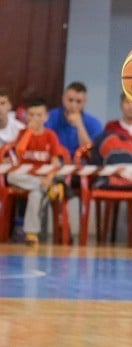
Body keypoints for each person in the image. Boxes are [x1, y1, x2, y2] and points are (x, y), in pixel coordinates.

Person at [6, 98, 64, 247]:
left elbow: (55, 162)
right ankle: (49, 188)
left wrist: (50, 178)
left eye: (39, 115)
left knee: (36, 193)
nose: (35, 118)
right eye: (31, 115)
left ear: (46, 117)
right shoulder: (23, 133)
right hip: (25, 176)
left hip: (43, 176)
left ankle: (31, 234)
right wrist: (29, 133)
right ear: (27, 117)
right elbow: (19, 151)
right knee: (12, 176)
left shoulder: (50, 135)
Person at [46, 81, 103, 160]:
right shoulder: (50, 117)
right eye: (70, 100)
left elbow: (92, 154)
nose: (73, 105)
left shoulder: (94, 123)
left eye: (78, 101)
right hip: (55, 163)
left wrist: (79, 125)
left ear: (85, 102)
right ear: (63, 98)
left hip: (82, 166)